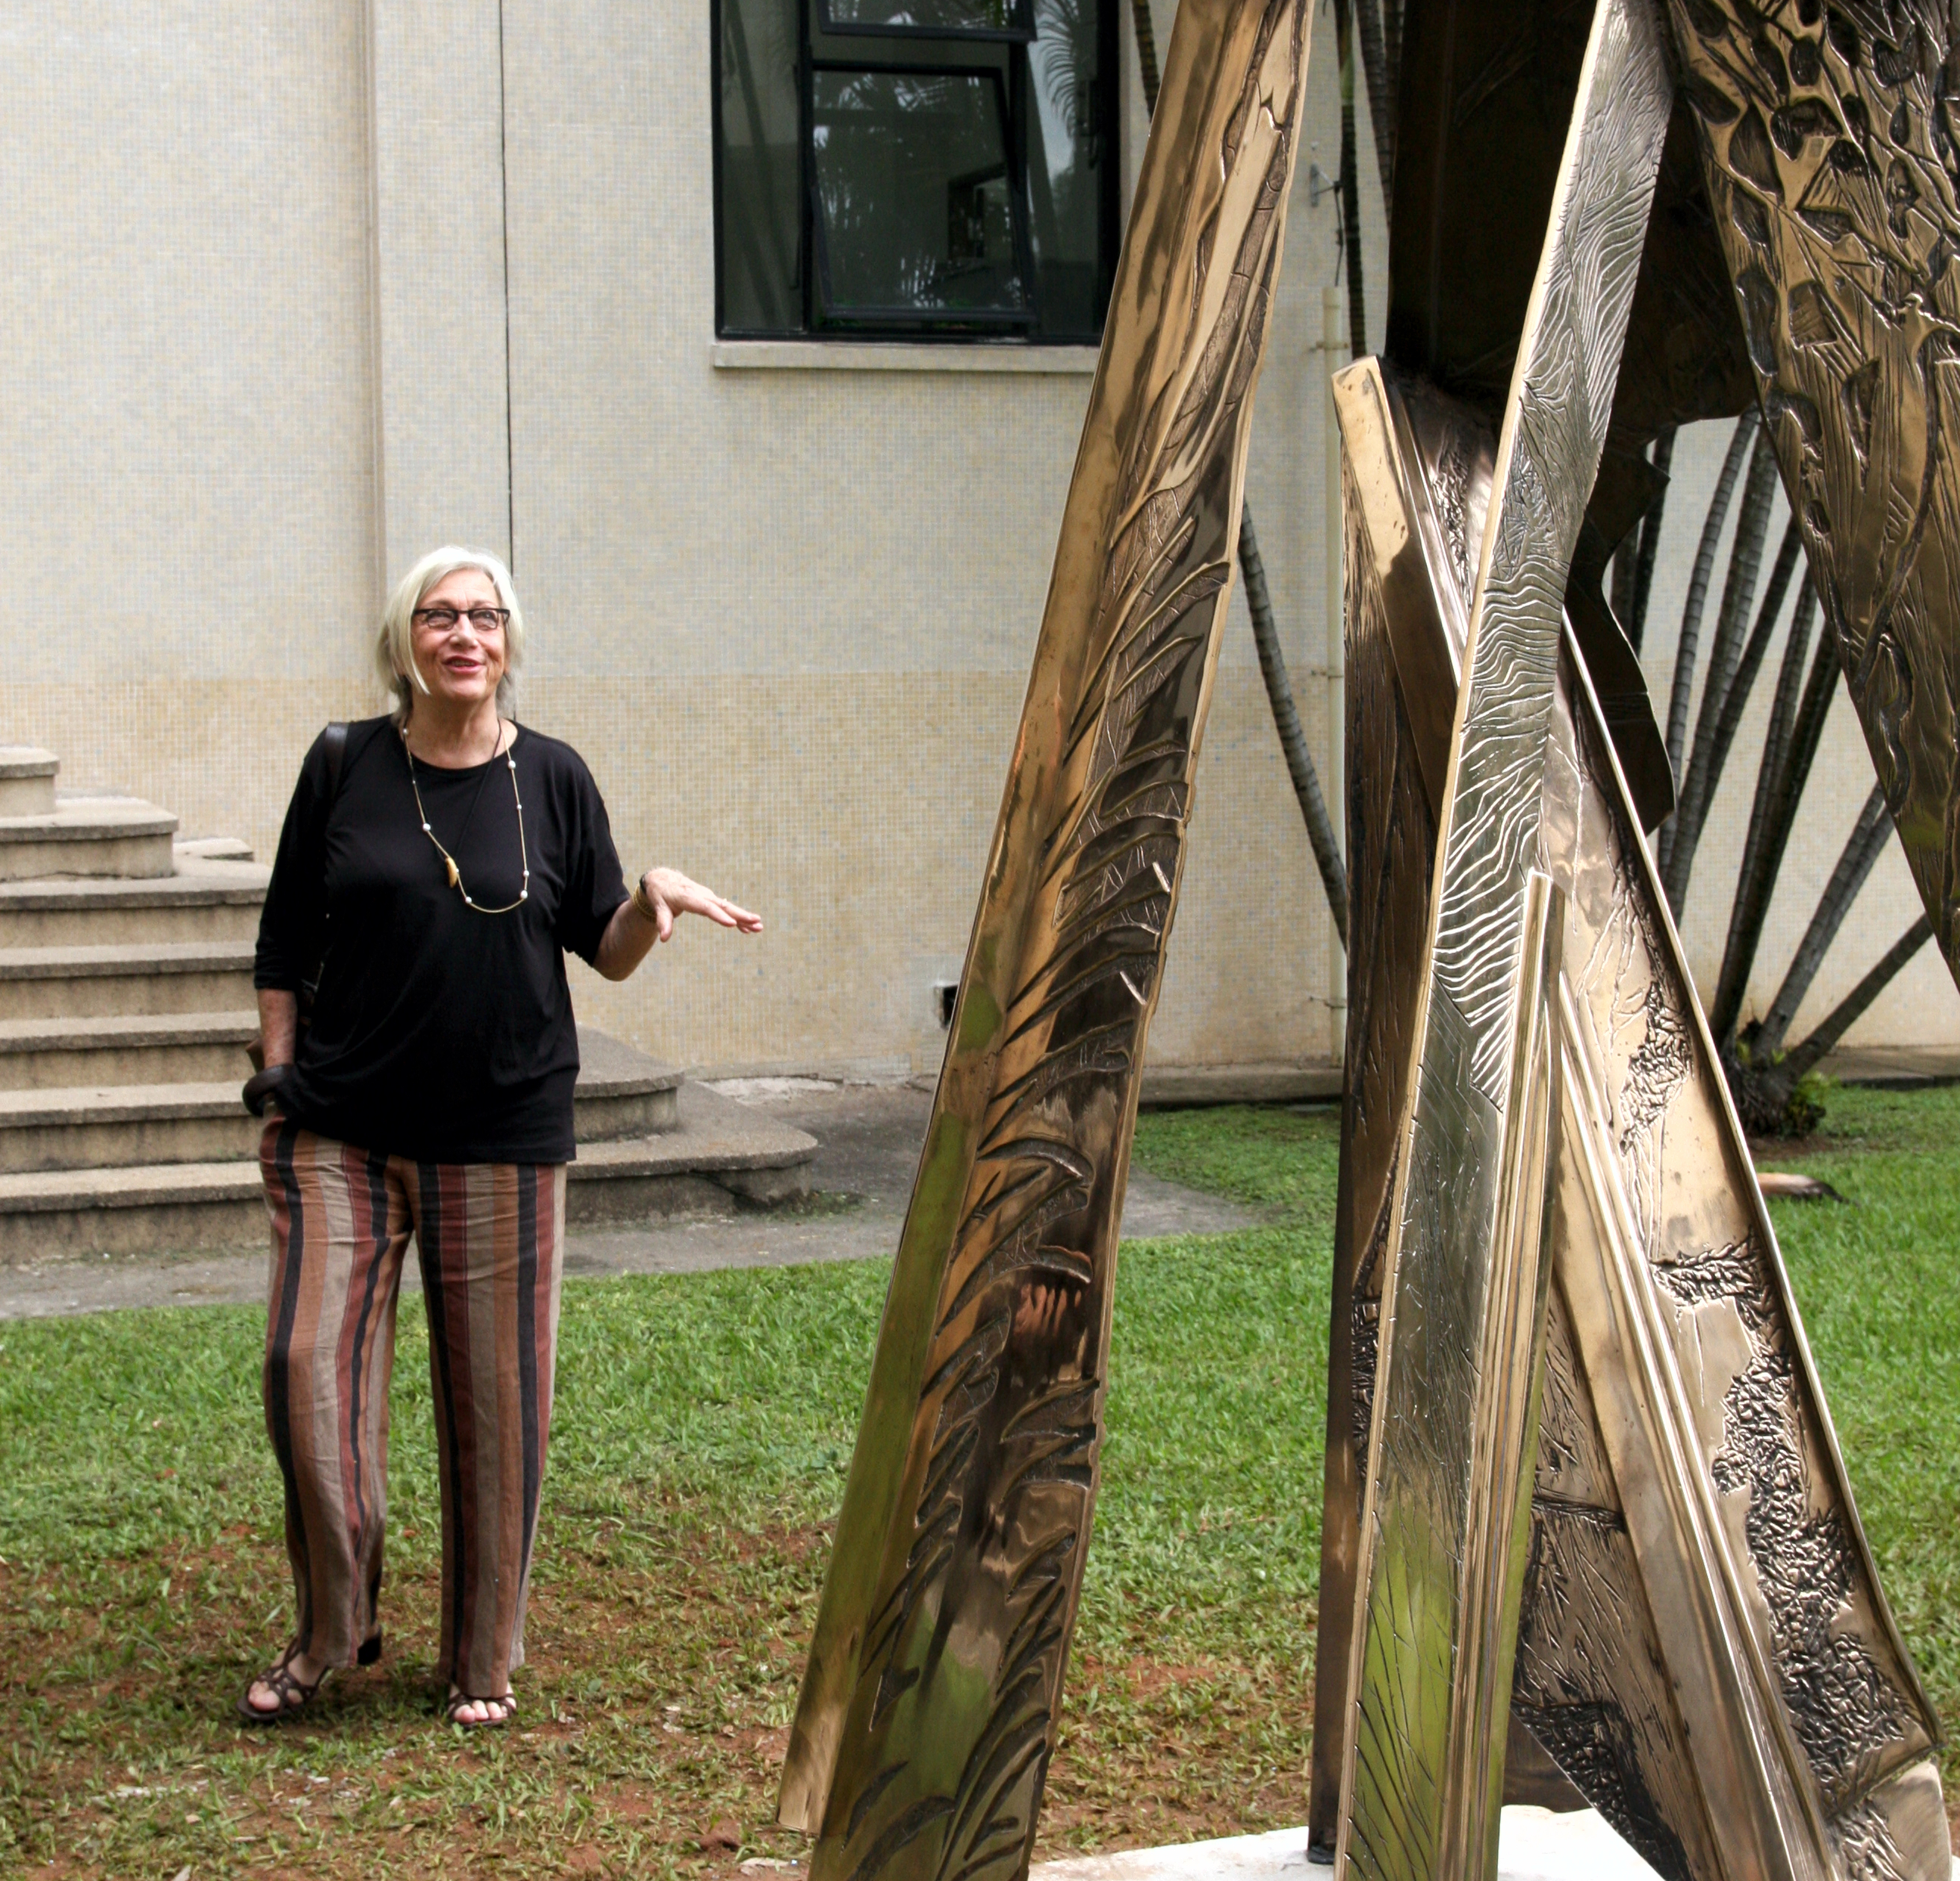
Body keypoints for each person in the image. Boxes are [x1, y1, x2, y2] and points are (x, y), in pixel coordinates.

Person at [239, 545, 760, 1729]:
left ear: (509, 642)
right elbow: (282, 944)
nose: (463, 634)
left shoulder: (555, 780)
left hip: (503, 1130)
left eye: (485, 616)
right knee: (303, 1372)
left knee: (497, 1401)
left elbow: (603, 945)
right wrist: (279, 1077)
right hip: (342, 1129)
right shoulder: (343, 767)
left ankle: (481, 1657)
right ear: (404, 639)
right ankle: (332, 1625)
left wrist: (647, 902)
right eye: (439, 615)